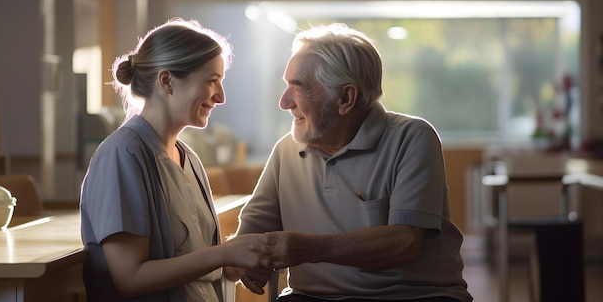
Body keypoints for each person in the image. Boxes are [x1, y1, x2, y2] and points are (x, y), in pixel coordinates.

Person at [225, 23, 473, 302]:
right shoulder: (286, 150)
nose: (284, 102)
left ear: (345, 97)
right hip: (311, 297)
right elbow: (250, 235)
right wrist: (244, 260)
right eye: (286, 86)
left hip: (414, 296)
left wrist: (309, 249)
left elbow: (404, 242)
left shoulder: (412, 137)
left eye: (298, 87)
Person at [80, 18, 273, 302]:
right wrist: (223, 253)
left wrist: (230, 264)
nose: (220, 97)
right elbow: (129, 278)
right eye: (212, 81)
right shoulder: (123, 155)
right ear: (167, 81)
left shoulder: (189, 159)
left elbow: (192, 261)